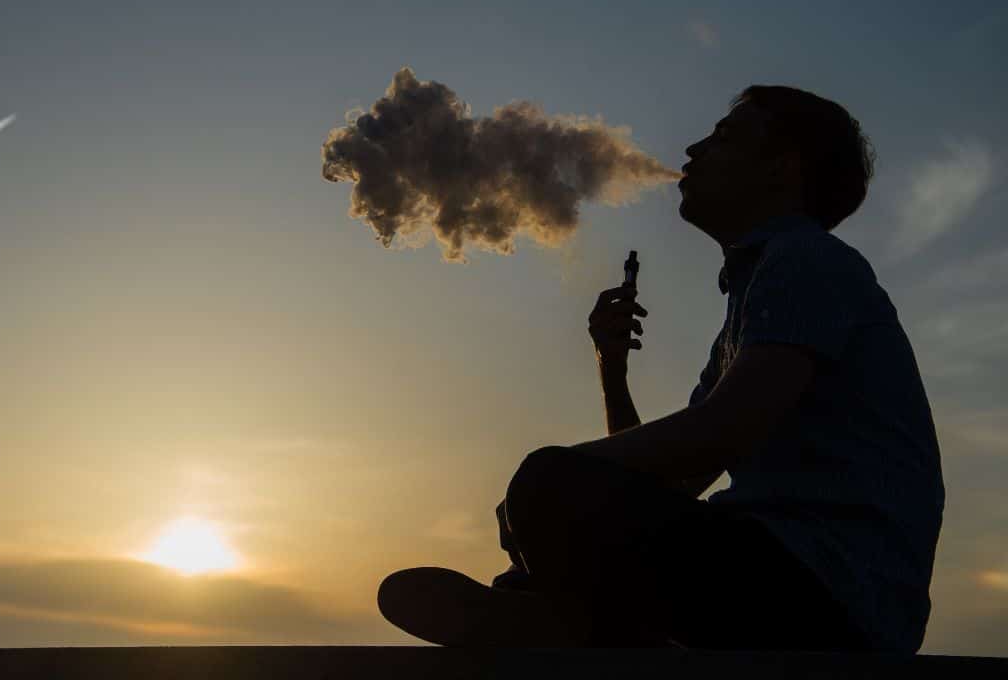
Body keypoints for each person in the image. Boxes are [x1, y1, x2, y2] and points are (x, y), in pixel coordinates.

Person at [377, 85, 945, 653]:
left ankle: (562, 624)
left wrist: (550, 477)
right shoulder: (754, 304)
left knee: (547, 482)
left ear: (782, 167)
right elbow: (668, 480)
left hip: (829, 596)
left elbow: (720, 433)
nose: (694, 149)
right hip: (791, 584)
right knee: (554, 492)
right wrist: (612, 368)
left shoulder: (807, 260)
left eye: (724, 137)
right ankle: (558, 620)